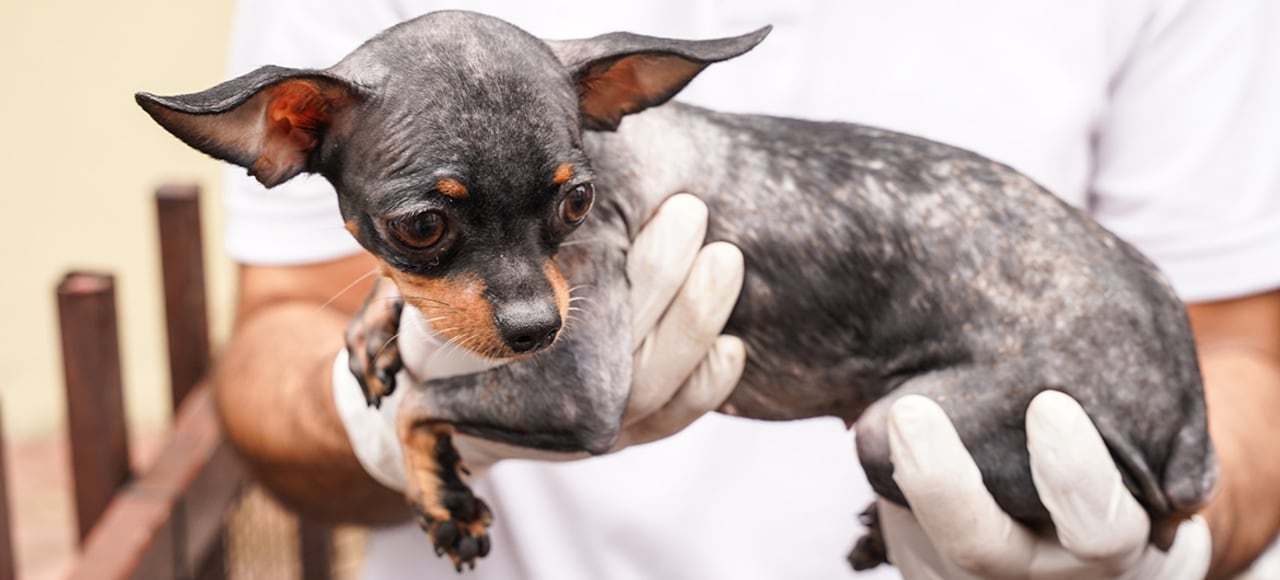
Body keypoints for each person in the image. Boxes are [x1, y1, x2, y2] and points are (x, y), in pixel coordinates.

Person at [214, 1, 1280, 578]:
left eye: (566, 210)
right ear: (290, 127)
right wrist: (361, 418)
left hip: (1014, 375)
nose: (531, 304)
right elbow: (272, 341)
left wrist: (1180, 542)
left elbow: (1242, 349)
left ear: (612, 97)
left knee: (897, 440)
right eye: (428, 227)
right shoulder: (367, 75)